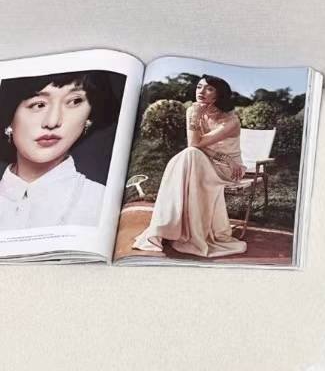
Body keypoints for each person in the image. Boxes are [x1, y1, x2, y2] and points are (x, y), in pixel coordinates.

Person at [132, 75, 248, 257]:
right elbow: (194, 145)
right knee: (190, 155)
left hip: (227, 169)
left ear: (219, 94)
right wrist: (195, 116)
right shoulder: (192, 111)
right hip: (203, 161)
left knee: (190, 155)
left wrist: (227, 160)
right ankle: (173, 226)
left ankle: (175, 227)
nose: (201, 91)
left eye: (209, 88)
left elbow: (195, 144)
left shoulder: (230, 121)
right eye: (199, 87)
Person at [0, 71, 113, 230]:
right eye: (38, 105)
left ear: (89, 117)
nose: (52, 122)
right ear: (9, 115)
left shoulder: (103, 201)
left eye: (74, 101)